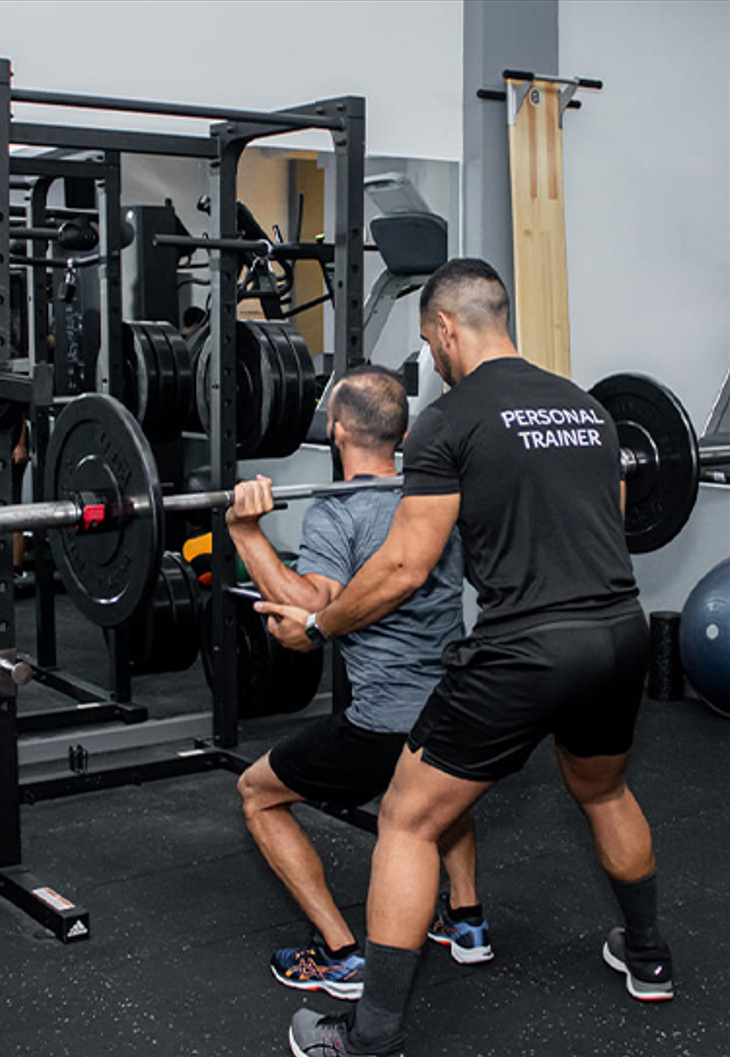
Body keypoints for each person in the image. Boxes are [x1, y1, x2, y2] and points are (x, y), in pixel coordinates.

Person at [258, 260, 672, 1057]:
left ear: (446, 328)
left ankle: (368, 1034)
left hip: (525, 648)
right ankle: (648, 955)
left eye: (428, 343)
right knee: (605, 789)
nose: (432, 361)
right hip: (620, 633)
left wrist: (318, 625)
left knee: (408, 821)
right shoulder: (590, 409)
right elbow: (613, 524)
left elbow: (407, 566)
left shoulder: (447, 422)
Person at [228, 365, 491, 1003]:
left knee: (257, 793)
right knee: (437, 791)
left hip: (380, 725)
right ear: (398, 435)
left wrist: (246, 534)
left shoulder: (337, 512)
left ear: (338, 429)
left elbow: (309, 605)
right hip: (456, 706)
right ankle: (466, 920)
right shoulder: (433, 498)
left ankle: (342, 955)